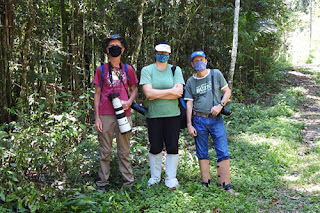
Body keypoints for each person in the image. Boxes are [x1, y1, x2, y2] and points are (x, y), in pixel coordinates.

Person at [184, 50, 235, 195]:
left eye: (202, 59)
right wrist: (189, 124)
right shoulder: (190, 82)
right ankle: (205, 183)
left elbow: (227, 92)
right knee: (202, 152)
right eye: (196, 61)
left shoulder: (216, 74)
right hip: (199, 119)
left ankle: (225, 185)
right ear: (192, 64)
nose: (199, 63)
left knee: (222, 150)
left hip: (216, 120)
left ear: (206, 61)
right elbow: (189, 104)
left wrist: (220, 105)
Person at [93, 34, 138, 191]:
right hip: (106, 114)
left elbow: (134, 89)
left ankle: (128, 183)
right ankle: (102, 183)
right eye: (111, 46)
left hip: (124, 115)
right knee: (105, 151)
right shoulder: (101, 70)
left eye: (117, 46)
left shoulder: (128, 69)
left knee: (124, 151)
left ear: (123, 50)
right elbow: (97, 93)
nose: (114, 49)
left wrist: (130, 102)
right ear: (107, 50)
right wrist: (97, 117)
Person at [140, 42, 185, 190]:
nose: (162, 55)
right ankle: (155, 177)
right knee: (155, 146)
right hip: (154, 115)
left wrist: (157, 93)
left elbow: (179, 92)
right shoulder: (147, 70)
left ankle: (171, 178)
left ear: (169, 54)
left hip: (173, 115)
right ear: (155, 53)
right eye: (160, 52)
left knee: (172, 145)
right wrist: (170, 91)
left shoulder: (175, 70)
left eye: (165, 53)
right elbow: (148, 94)